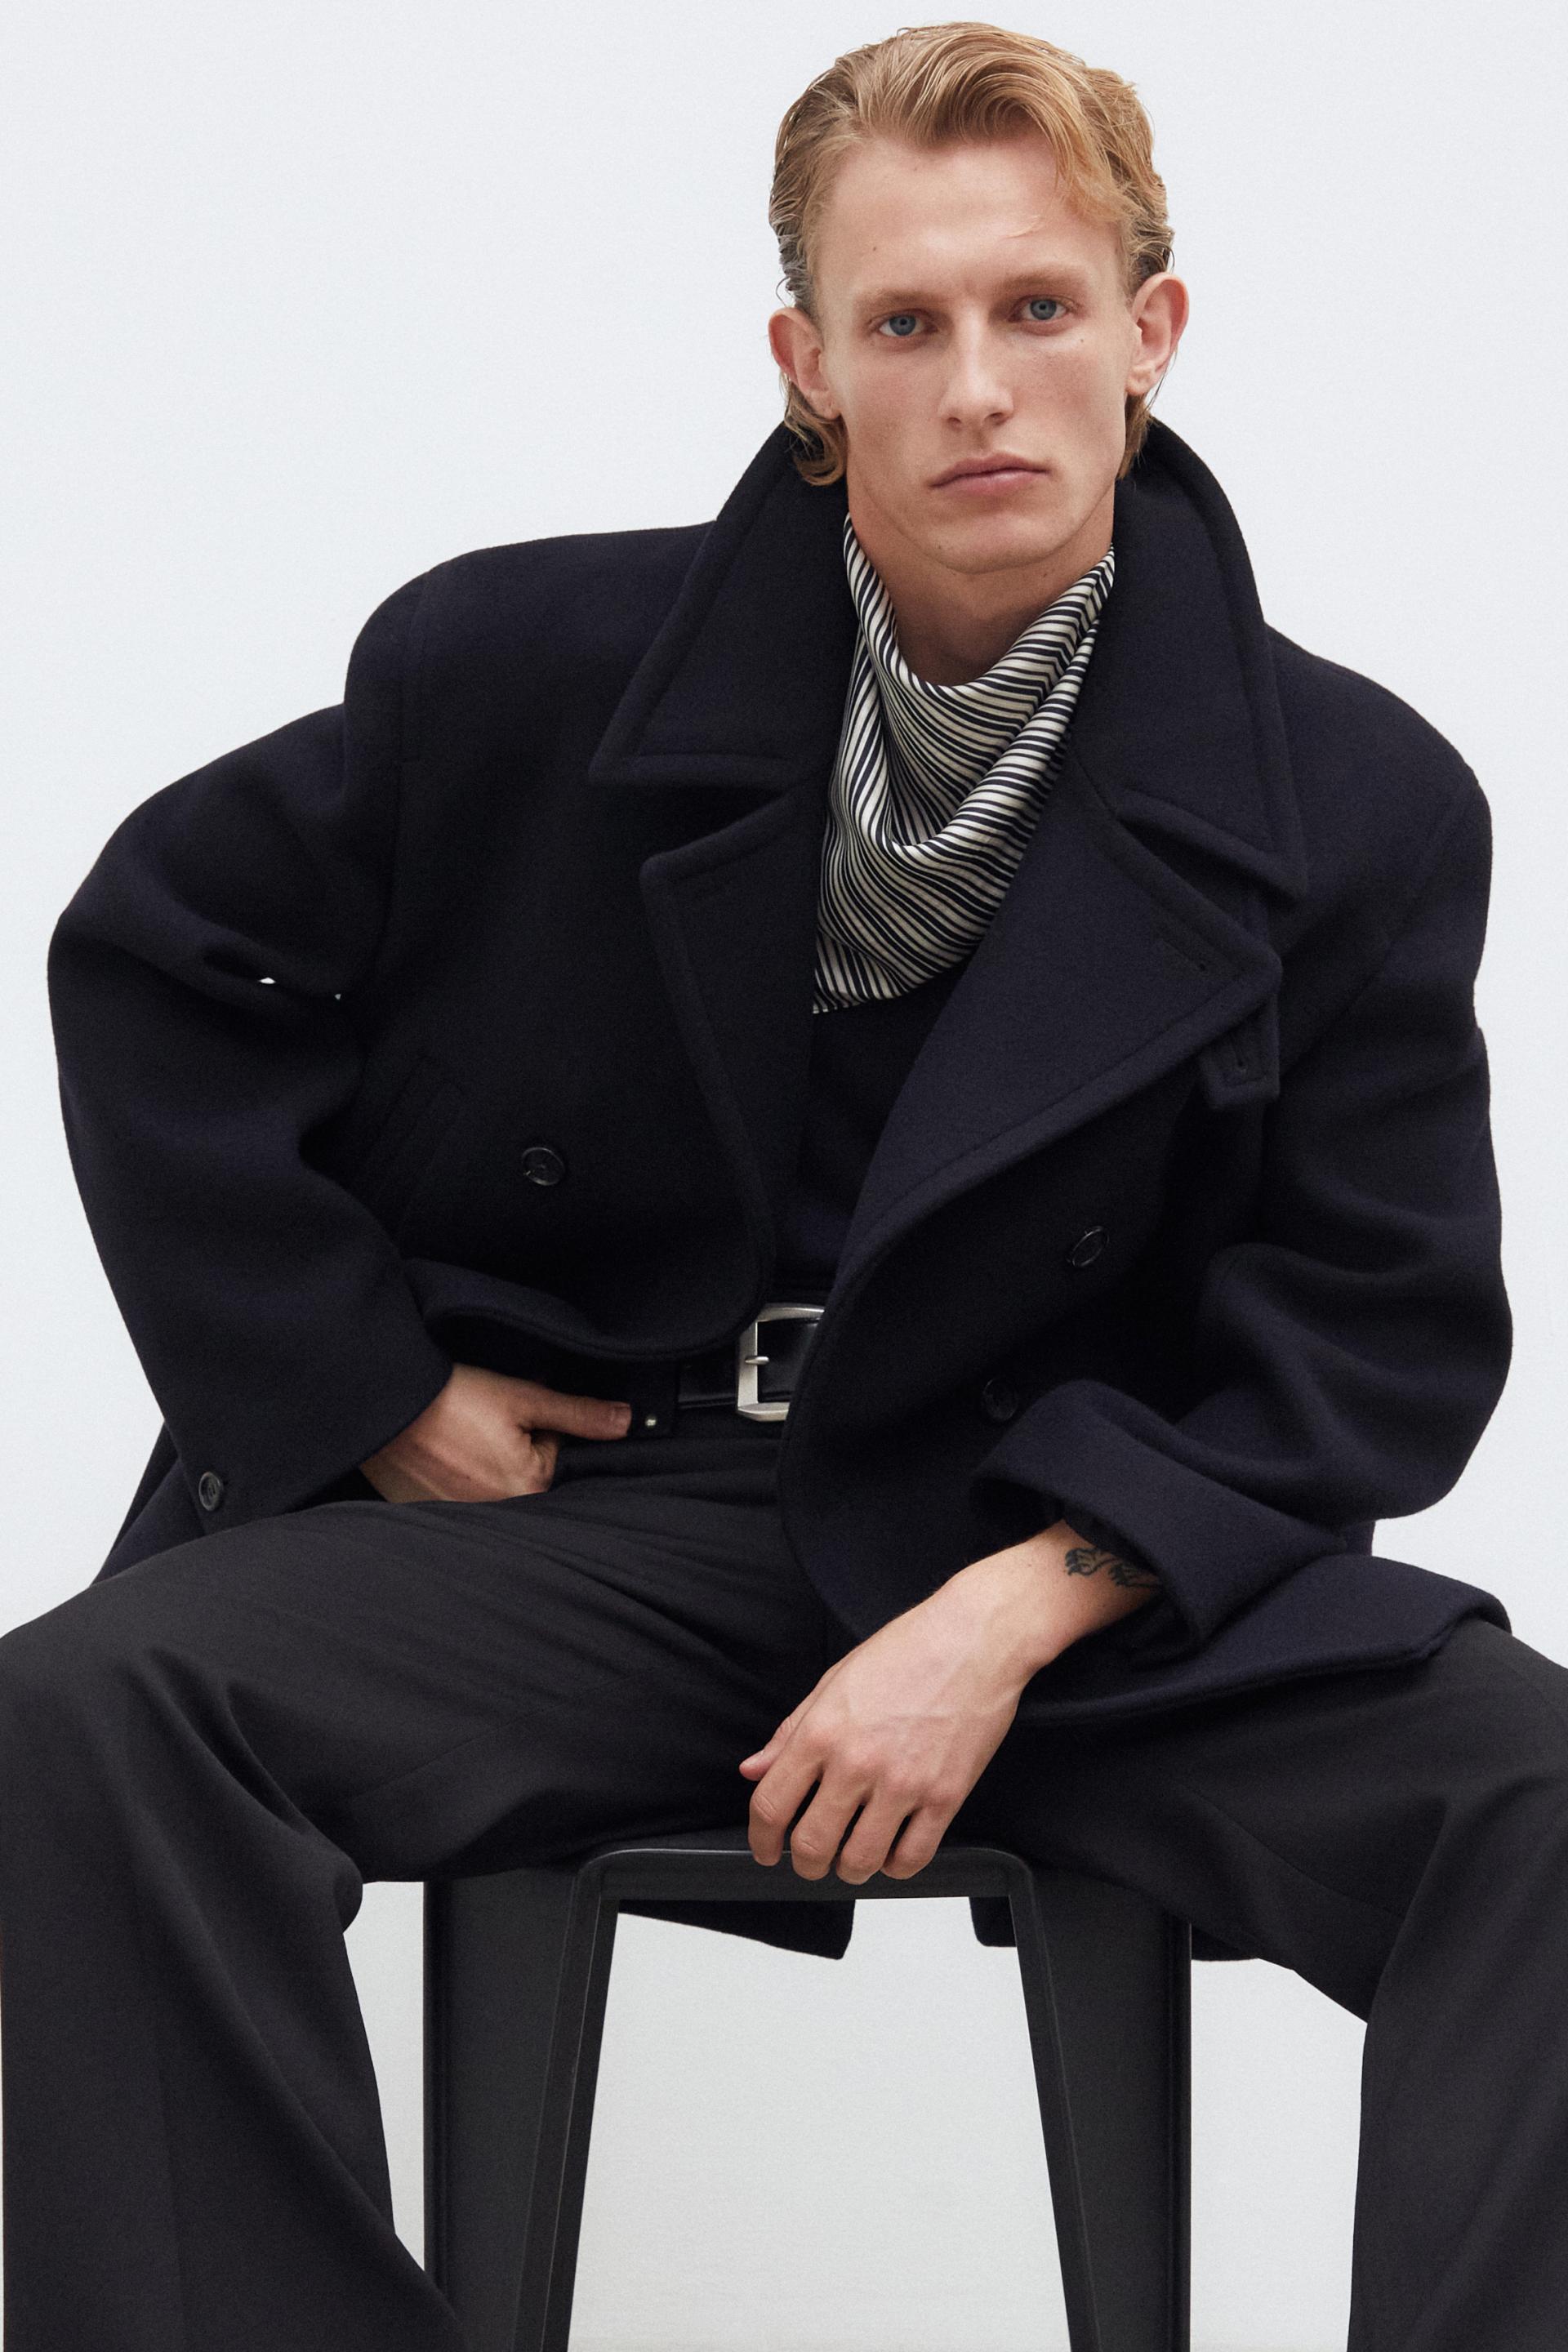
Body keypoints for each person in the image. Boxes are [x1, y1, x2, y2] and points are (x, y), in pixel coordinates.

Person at [6, 19, 1564, 2350]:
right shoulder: (526, 666)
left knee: (1539, 1800)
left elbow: (1380, 1320)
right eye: (903, 322)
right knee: (92, 1716)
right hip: (625, 1513)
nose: (979, 388)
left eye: (1039, 307)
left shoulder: (1354, 799)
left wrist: (1017, 1610)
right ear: (807, 368)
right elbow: (166, 961)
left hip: (1072, 1548)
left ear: (1149, 333)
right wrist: (361, 1381)